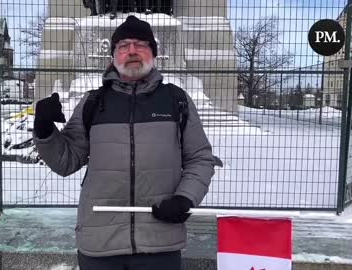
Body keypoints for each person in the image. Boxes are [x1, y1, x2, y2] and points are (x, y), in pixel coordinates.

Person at [33, 15, 216, 270]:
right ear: (113, 57)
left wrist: (186, 198)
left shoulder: (176, 100)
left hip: (160, 243)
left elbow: (200, 158)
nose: (132, 51)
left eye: (140, 44)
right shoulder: (92, 103)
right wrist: (44, 129)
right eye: (123, 46)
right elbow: (66, 161)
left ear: (154, 53)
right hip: (99, 242)